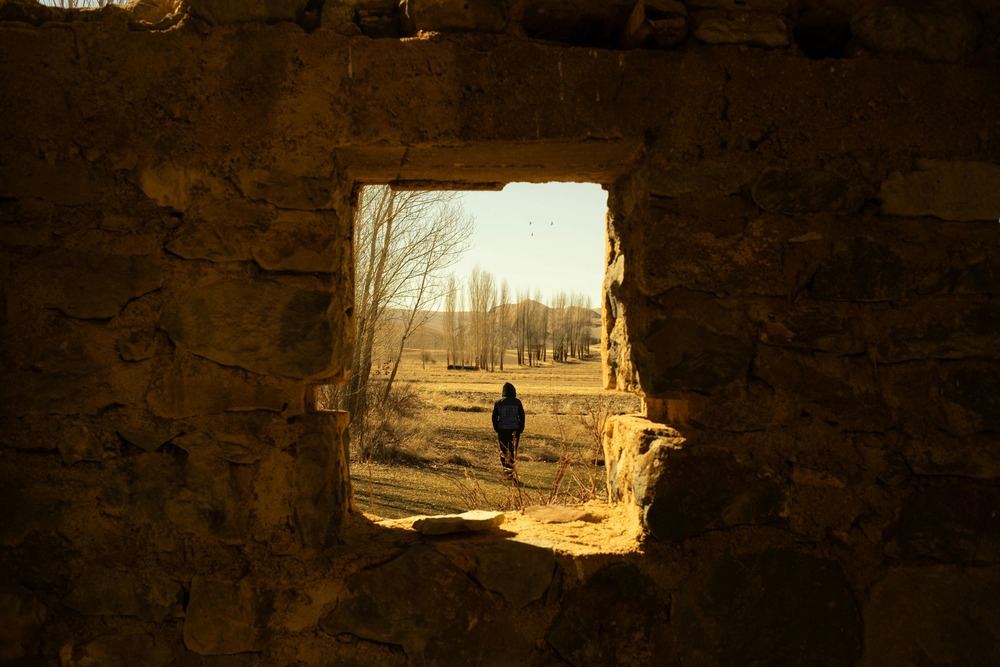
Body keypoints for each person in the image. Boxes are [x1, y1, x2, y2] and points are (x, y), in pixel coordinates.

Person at [492, 382, 525, 479]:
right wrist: (521, 428)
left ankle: (506, 470)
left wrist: (496, 428)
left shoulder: (498, 402)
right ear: (514, 392)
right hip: (514, 430)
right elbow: (522, 416)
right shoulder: (517, 402)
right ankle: (511, 470)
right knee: (512, 450)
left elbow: (494, 417)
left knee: (503, 450)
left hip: (502, 429)